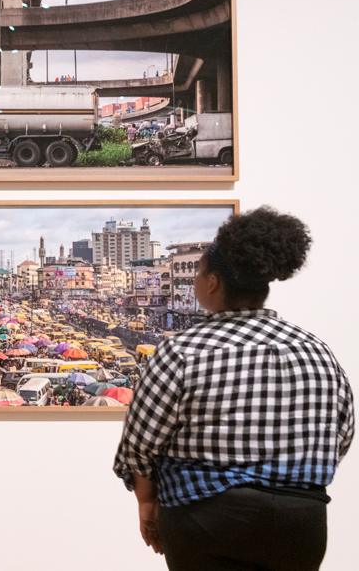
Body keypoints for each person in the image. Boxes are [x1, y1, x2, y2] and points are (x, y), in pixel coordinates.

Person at [113, 208, 354, 571]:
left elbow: (140, 444)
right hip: (300, 522)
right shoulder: (316, 350)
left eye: (196, 274)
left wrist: (147, 504)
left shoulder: (183, 350)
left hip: (205, 517)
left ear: (212, 283)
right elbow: (343, 433)